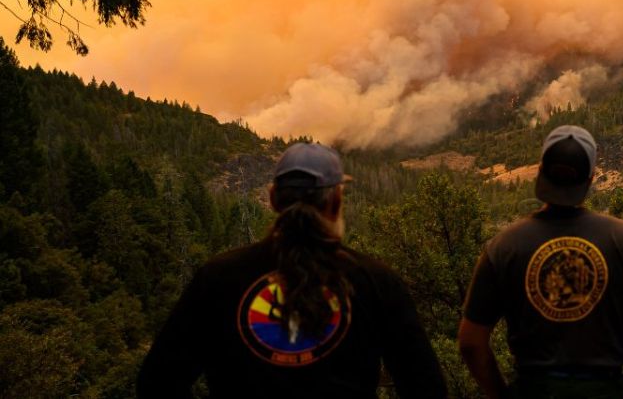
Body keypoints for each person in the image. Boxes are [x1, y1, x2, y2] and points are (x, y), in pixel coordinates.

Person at [137, 142, 447, 398]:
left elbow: (157, 382)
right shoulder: (376, 280)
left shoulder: (217, 278)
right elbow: (426, 387)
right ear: (337, 200)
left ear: (272, 200)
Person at [457, 125, 623, 399]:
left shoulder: (504, 246)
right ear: (590, 179)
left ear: (540, 170)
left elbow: (470, 342)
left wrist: (501, 394)